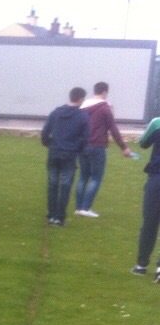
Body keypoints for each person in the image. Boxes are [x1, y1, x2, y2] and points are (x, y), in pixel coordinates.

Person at [76, 82, 135, 218]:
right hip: (97, 145)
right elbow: (113, 129)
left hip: (82, 145)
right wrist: (124, 147)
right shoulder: (105, 108)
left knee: (83, 177)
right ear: (104, 92)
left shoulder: (83, 107)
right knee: (96, 177)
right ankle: (86, 208)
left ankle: (79, 207)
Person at [41, 87, 89, 226]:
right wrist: (78, 149)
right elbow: (85, 138)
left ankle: (51, 215)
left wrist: (48, 143)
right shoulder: (82, 116)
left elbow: (45, 132)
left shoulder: (56, 112)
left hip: (54, 151)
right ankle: (59, 217)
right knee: (65, 185)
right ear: (80, 99)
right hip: (69, 153)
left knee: (52, 184)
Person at [131, 115, 160, 279]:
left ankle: (141, 264)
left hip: (157, 176)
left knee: (150, 222)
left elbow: (143, 143)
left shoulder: (157, 123)